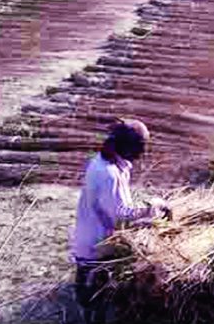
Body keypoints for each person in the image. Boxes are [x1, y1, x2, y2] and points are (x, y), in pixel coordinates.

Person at [72, 118, 170, 323]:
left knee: (90, 285)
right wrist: (151, 209)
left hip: (89, 234)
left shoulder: (103, 161)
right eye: (141, 147)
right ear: (128, 146)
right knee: (95, 293)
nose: (143, 153)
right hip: (97, 243)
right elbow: (120, 213)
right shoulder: (109, 174)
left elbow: (113, 205)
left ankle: (87, 310)